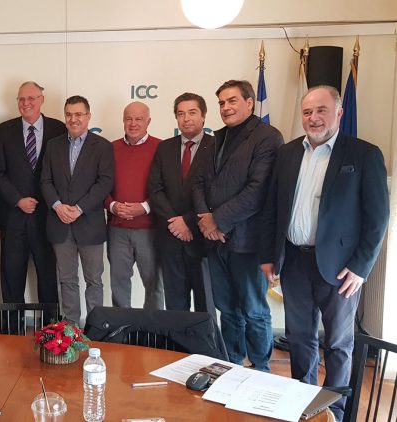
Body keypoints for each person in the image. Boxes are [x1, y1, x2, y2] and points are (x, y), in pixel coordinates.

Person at [260, 85, 388, 420]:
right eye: (307, 112)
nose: (313, 118)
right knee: (299, 338)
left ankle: (335, 412)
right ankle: (303, 407)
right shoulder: (287, 154)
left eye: (321, 110)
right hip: (294, 261)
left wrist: (360, 267)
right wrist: (269, 256)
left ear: (339, 113)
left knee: (338, 344)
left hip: (342, 268)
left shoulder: (364, 154)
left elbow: (377, 218)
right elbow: (273, 209)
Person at [192, 80, 282, 371]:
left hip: (248, 242)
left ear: (249, 102)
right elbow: (198, 183)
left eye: (232, 101)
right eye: (221, 103)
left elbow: (258, 190)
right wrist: (206, 219)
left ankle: (261, 369)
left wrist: (217, 220)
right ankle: (231, 365)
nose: (226, 107)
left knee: (254, 311)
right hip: (215, 242)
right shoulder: (214, 139)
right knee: (227, 310)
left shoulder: (267, 137)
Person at [0, 82, 66, 310]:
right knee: (12, 279)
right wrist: (17, 200)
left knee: (48, 279)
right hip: (14, 218)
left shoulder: (58, 128)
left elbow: (64, 173)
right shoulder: (5, 130)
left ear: (42, 99)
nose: (26, 103)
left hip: (48, 218)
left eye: (31, 98)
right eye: (21, 99)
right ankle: (14, 327)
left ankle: (51, 328)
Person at [40, 95, 114, 325]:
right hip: (60, 223)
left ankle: (96, 327)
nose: (73, 119)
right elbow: (45, 181)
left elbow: (105, 183)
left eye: (79, 114)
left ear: (88, 116)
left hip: (90, 224)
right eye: (69, 114)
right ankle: (71, 329)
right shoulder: (53, 145)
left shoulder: (103, 146)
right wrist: (57, 206)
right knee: (67, 280)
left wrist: (80, 208)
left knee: (94, 281)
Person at [149, 93, 214, 312]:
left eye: (192, 112)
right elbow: (155, 189)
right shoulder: (164, 148)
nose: (186, 119)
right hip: (171, 239)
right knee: (175, 306)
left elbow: (216, 193)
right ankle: (177, 338)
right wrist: (175, 223)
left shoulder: (217, 147)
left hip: (202, 238)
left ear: (203, 116)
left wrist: (188, 221)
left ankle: (205, 338)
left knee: (206, 305)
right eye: (181, 114)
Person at [104, 101, 163, 309]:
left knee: (154, 285)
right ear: (123, 120)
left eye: (139, 119)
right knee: (119, 284)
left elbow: (168, 187)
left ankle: (152, 326)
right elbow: (99, 185)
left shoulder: (161, 148)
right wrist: (112, 205)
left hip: (150, 230)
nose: (133, 123)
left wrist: (145, 207)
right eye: (129, 118)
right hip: (117, 229)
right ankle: (123, 326)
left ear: (148, 121)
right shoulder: (110, 149)